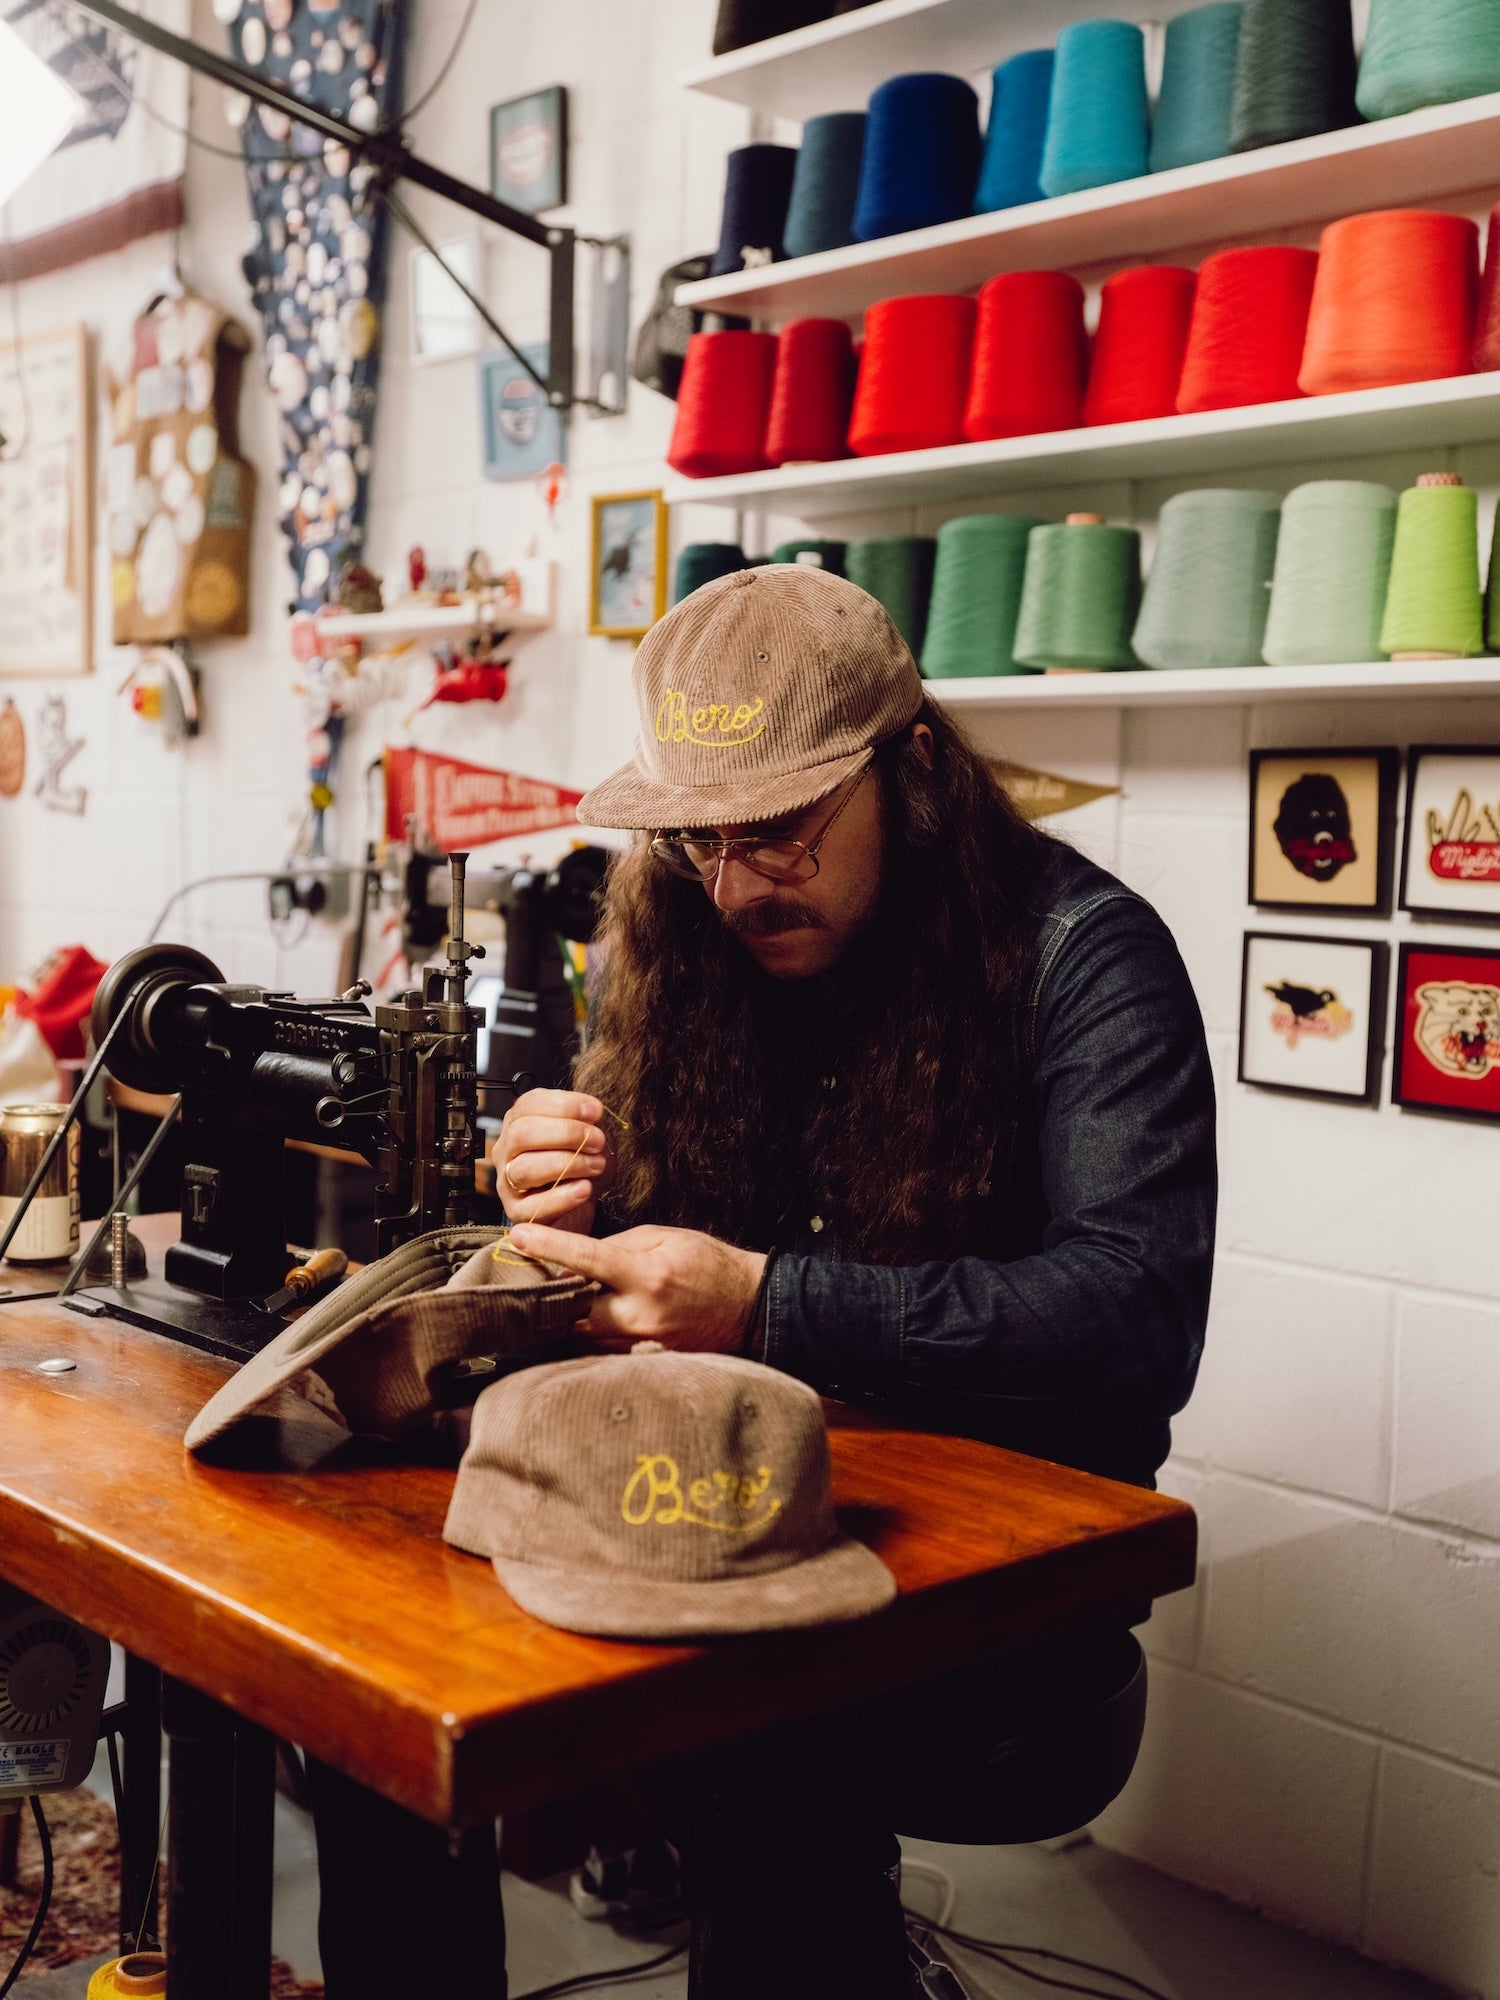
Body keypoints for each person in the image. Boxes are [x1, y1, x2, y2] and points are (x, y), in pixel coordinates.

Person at [489, 563, 1217, 1999]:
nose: (738, 883)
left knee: (766, 1727)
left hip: (1006, 1585)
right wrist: (561, 1183)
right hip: (762, 1506)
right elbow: (672, 1239)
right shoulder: (697, 940)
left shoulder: (1090, 961)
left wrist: (765, 1299)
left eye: (781, 834)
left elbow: (1135, 1318)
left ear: (921, 771)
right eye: (700, 840)